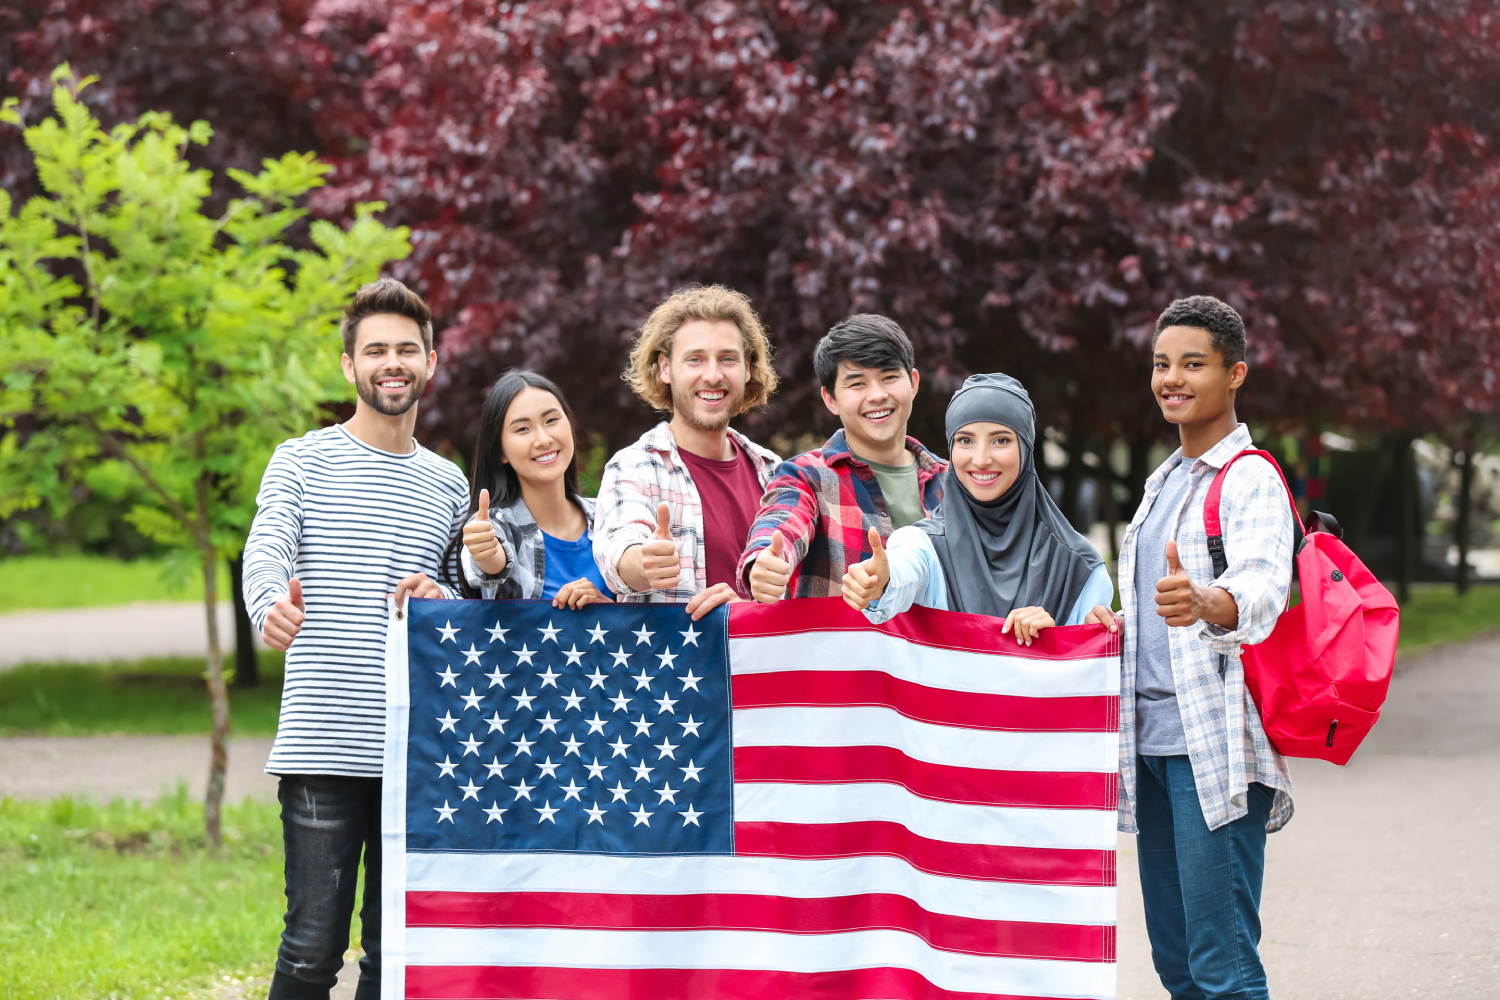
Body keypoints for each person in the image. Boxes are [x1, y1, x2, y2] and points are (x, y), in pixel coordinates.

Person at [243, 278, 469, 1000]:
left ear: (431, 361)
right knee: (312, 949)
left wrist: (446, 596)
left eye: (408, 349)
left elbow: (463, 595)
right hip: (323, 745)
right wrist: (269, 604)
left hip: (414, 753)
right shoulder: (301, 459)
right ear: (349, 365)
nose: (392, 362)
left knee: (391, 957)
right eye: (376, 350)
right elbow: (267, 548)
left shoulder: (449, 485)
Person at [1099, 295, 1295, 1000]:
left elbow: (1263, 588)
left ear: (1235, 373)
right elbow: (1151, 614)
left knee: (1224, 968)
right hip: (1150, 746)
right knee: (1178, 964)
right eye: (1160, 364)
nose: (1171, 379)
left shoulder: (1250, 479)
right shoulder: (1164, 482)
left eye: (1193, 364)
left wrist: (1209, 602)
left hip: (1211, 749)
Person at [841, 372, 1114, 641]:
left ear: (1026, 448)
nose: (981, 459)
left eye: (1001, 440)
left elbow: (1090, 669)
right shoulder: (926, 545)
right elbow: (906, 569)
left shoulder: (1079, 567)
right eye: (966, 441)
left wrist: (1057, 642)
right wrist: (883, 582)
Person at [593, 284, 781, 619]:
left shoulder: (775, 474)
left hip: (763, 668)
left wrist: (756, 605)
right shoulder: (634, 467)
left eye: (727, 359)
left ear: (748, 367)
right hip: (677, 670)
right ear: (665, 368)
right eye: (695, 359)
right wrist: (644, 562)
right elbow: (617, 552)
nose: (713, 375)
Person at [737, 314, 946, 602]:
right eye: (858, 384)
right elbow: (783, 520)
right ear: (830, 399)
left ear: (913, 383)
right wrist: (765, 561)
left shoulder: (953, 481)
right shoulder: (807, 476)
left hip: (940, 647)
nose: (877, 395)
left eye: (889, 377)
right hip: (842, 646)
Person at [444, 369, 613, 608]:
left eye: (551, 420)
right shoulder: (495, 527)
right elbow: (490, 563)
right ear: (500, 451)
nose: (543, 439)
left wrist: (609, 610)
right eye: (523, 429)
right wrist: (485, 550)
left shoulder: (612, 519)